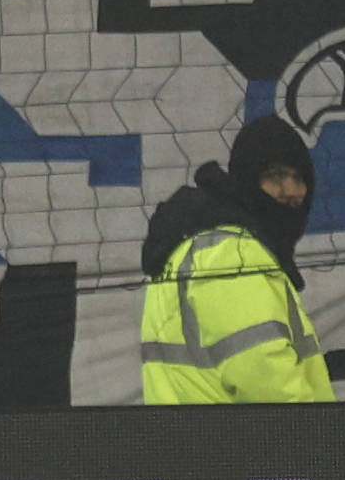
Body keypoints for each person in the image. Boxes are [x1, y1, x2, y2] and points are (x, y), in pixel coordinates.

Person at [135, 116, 332, 405]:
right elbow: (262, 375)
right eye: (275, 175)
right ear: (248, 179)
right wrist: (327, 441)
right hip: (257, 444)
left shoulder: (201, 241)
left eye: (299, 178)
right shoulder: (233, 252)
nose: (291, 190)